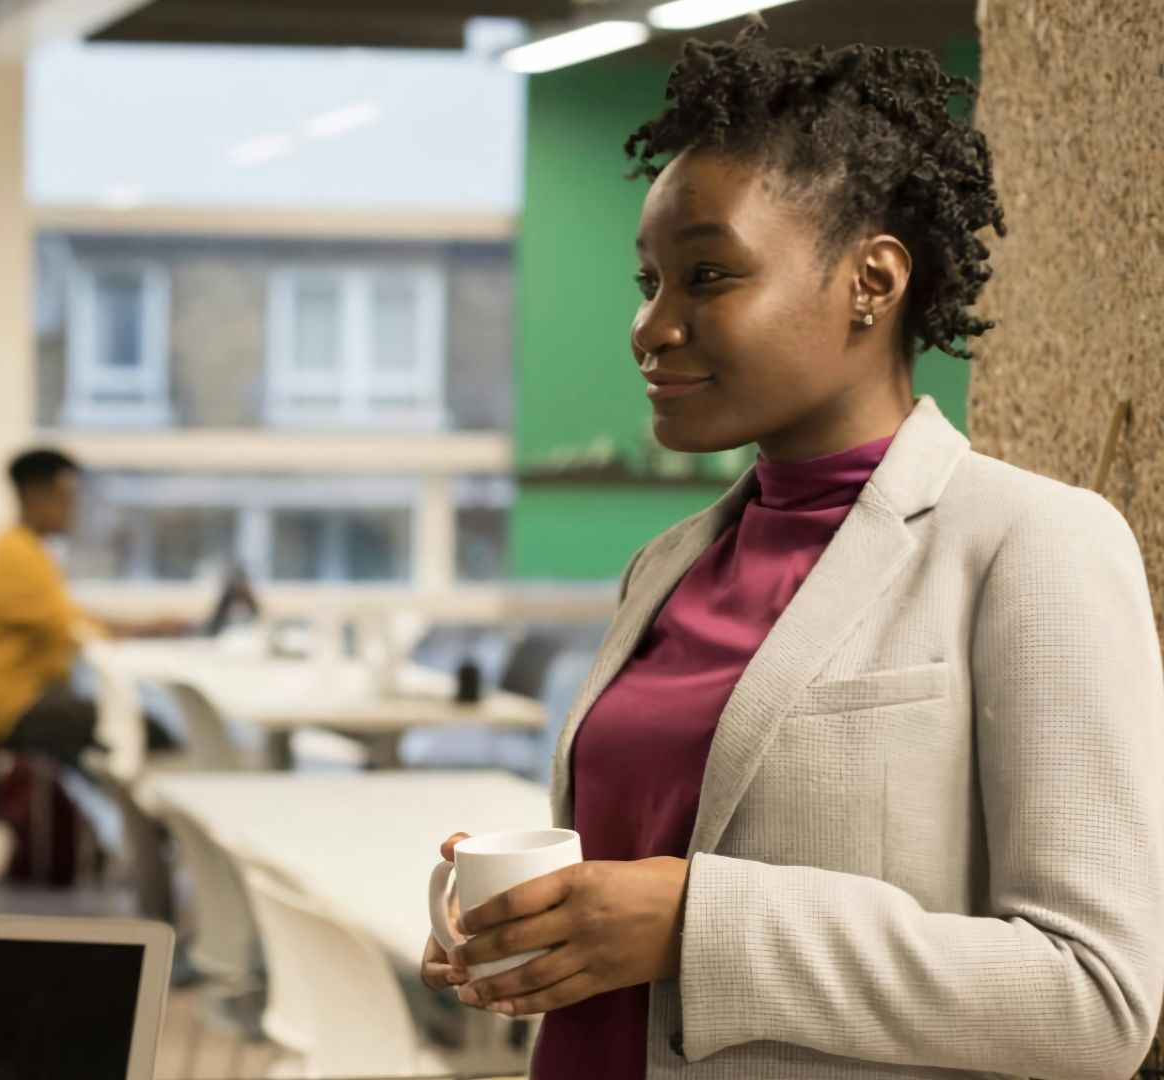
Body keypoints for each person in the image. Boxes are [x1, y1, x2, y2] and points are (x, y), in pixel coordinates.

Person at [420, 25, 1164, 1080]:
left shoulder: (1032, 546)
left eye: (708, 277)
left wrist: (695, 924)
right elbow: (642, 891)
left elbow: (1097, 997)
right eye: (650, 280)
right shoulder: (668, 564)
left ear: (872, 279)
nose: (650, 325)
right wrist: (541, 927)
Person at [0, 449, 186, 763]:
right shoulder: (15, 555)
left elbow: (73, 618)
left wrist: (148, 627)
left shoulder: (29, 550)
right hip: (10, 709)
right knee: (145, 731)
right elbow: (75, 629)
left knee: (125, 725)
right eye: (64, 498)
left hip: (30, 699)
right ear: (34, 495)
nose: (73, 508)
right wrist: (148, 629)